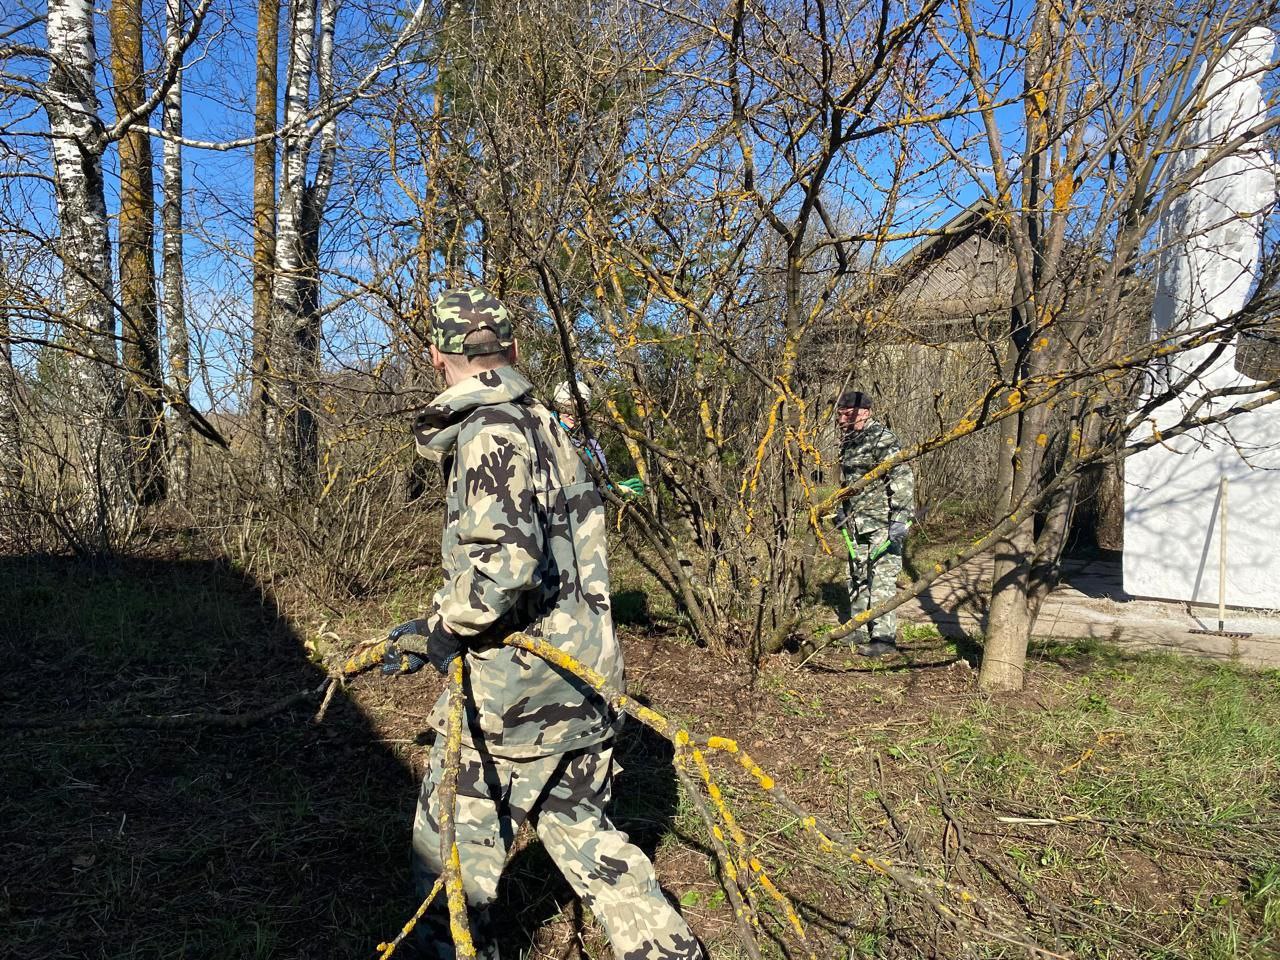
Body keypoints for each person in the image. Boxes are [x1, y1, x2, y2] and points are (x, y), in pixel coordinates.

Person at [381, 286, 701, 960]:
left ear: (436, 355)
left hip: (516, 698)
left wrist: (448, 628)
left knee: (448, 862)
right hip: (584, 678)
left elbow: (505, 564)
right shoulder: (549, 425)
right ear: (515, 351)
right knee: (589, 838)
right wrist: (430, 623)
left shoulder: (490, 429)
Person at [833, 389, 915, 658]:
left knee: (881, 579)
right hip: (857, 522)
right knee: (857, 574)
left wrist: (901, 518)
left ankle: (883, 638)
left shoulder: (881, 438)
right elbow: (850, 484)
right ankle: (857, 629)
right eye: (840, 413)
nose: (842, 418)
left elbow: (901, 475)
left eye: (848, 413)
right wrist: (842, 512)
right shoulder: (849, 440)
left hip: (882, 521)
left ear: (865, 412)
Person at [551, 379, 609, 475]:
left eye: (579, 409)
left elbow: (601, 472)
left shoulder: (587, 436)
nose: (573, 414)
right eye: (567, 408)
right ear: (558, 408)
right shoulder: (552, 435)